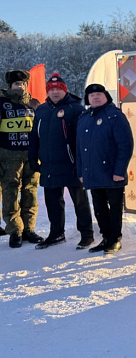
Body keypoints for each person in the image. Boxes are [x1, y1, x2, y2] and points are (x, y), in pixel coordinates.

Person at [29, 72, 95, 249]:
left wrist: (81, 163)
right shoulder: (41, 110)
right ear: (47, 91)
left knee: (80, 201)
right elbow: (34, 136)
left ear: (65, 90)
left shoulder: (76, 109)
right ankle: (57, 233)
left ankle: (87, 233)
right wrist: (32, 158)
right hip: (49, 164)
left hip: (71, 164)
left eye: (59, 89)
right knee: (52, 201)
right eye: (51, 89)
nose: (55, 92)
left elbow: (83, 139)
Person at [76, 84, 134, 254]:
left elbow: (125, 145)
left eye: (99, 94)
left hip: (111, 173)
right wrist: (81, 172)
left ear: (106, 96)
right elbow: (79, 148)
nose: (95, 97)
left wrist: (119, 171)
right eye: (91, 95)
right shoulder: (84, 117)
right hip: (92, 173)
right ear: (87, 99)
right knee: (99, 209)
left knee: (114, 208)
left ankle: (115, 239)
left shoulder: (115, 115)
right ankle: (106, 238)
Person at [0, 69, 43, 248]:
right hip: (8, 157)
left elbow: (41, 131)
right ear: (10, 85)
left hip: (31, 157)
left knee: (30, 191)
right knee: (10, 192)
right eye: (17, 83)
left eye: (23, 84)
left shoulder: (34, 104)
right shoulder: (2, 103)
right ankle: (15, 230)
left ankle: (29, 229)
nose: (21, 86)